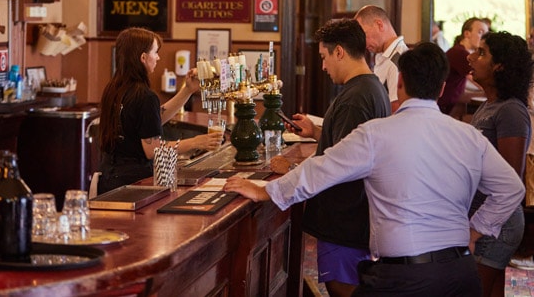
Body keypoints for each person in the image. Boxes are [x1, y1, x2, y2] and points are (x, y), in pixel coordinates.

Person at [225, 42, 525, 297]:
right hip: (460, 274)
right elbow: (512, 189)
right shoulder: (468, 135)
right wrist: (475, 231)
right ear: (442, 87)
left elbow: (320, 170)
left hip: (403, 279)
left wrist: (266, 191)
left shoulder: (376, 134)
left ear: (400, 82)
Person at [272, 19, 390, 297]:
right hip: (356, 214)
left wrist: (290, 169)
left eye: (324, 57)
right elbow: (350, 145)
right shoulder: (370, 88)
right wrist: (316, 132)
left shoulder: (355, 97)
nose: (323, 66)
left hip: (346, 216)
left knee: (343, 288)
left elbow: (344, 163)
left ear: (339, 52)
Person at [96, 27, 223, 195]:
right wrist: (196, 142)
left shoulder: (113, 89)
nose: (158, 57)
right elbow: (153, 150)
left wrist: (187, 90)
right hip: (133, 183)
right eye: (155, 52)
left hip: (108, 178)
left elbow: (149, 121)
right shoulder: (145, 96)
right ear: (143, 57)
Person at [467, 31, 533, 297]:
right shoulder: (489, 106)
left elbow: (510, 179)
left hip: (496, 223)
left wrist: (476, 230)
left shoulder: (511, 110)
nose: (472, 57)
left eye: (481, 53)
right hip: (484, 219)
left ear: (500, 65)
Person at [354, 5, 408, 112]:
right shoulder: (382, 56)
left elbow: (396, 109)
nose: (362, 43)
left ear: (379, 25)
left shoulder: (397, 60)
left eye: (364, 35)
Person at [437, 17, 488, 118]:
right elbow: (480, 81)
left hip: (446, 105)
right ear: (467, 34)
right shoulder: (460, 53)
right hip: (442, 107)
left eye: (486, 34)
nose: (483, 38)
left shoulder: (459, 51)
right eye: (480, 32)